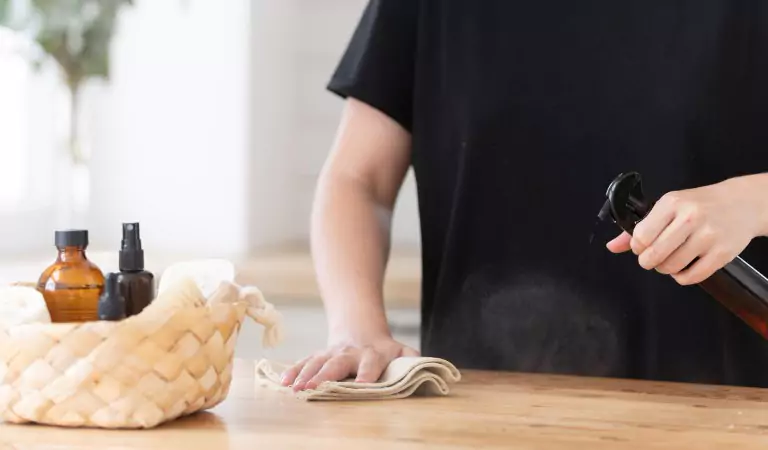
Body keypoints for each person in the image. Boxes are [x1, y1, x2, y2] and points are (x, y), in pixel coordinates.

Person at [280, 0, 768, 391]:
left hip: (717, 406)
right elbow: (358, 179)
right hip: (478, 407)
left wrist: (749, 201)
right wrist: (356, 329)